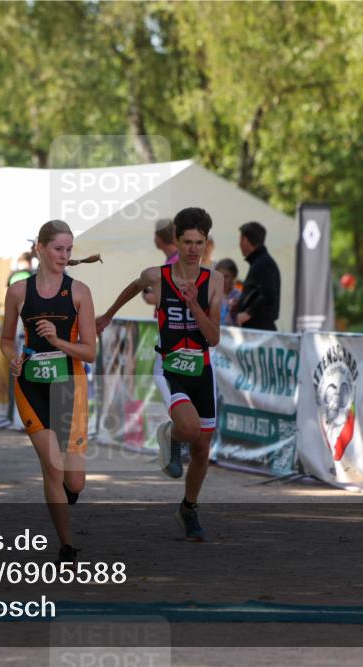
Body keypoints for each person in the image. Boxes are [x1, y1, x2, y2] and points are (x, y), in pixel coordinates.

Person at [96, 207, 223, 542]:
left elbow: (213, 337)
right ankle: (170, 434)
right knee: (190, 428)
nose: (194, 248)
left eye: (200, 242)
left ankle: (188, 508)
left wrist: (194, 304)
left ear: (206, 243)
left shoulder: (214, 281)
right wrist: (107, 315)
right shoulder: (158, 276)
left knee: (201, 449)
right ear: (177, 241)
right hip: (169, 365)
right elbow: (133, 286)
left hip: (201, 366)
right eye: (187, 241)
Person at [0, 220, 99, 563]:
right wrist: (13, 359)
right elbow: (4, 339)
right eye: (58, 249)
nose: (64, 255)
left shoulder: (79, 292)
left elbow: (90, 352)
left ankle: (65, 493)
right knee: (53, 468)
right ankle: (67, 545)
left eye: (69, 250)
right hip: (31, 388)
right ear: (40, 248)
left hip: (69, 386)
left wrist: (58, 341)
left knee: (75, 482)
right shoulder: (17, 292)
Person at [232, 221, 281, 330]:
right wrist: (242, 303)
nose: (239, 244)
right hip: (258, 331)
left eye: (240, 240)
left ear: (244, 240)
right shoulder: (261, 262)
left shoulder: (263, 263)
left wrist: (248, 313)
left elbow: (268, 294)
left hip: (259, 332)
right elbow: (258, 293)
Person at [214, 258, 242, 326]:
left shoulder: (239, 297)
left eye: (226, 277)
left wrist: (231, 311)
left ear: (233, 277)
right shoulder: (212, 296)